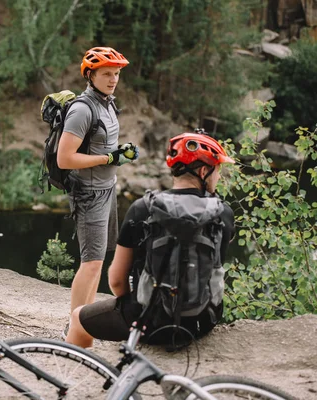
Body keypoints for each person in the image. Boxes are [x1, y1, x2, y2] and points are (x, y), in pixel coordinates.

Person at [65, 131, 235, 348]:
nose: (218, 177)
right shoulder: (223, 213)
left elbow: (116, 280)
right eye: (217, 171)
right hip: (202, 321)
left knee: (78, 318)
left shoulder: (142, 208)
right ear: (204, 171)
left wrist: (132, 307)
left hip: (148, 320)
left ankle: (78, 371)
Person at [57, 47, 140, 337]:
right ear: (90, 75)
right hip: (89, 193)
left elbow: (101, 147)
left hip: (107, 189)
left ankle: (85, 322)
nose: (113, 79)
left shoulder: (108, 104)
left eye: (116, 74)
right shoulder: (82, 109)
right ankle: (76, 330)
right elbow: (64, 159)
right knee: (90, 263)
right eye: (106, 73)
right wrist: (108, 159)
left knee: (98, 260)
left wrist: (119, 153)